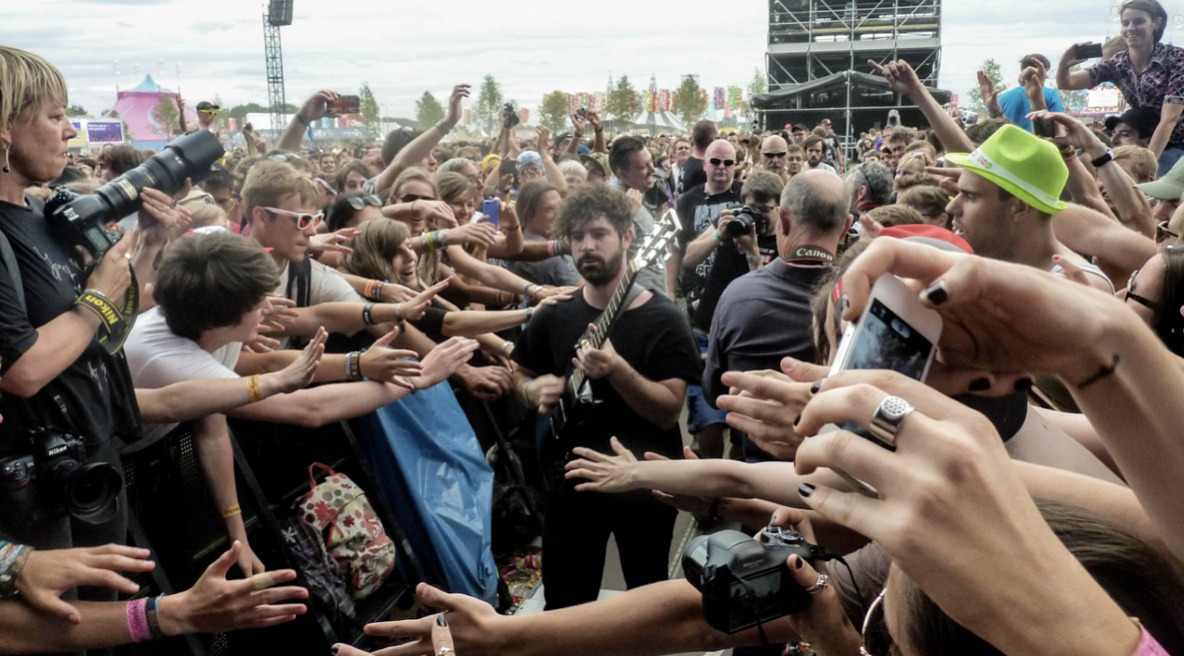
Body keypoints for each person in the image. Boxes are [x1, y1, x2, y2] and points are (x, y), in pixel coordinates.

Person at [0, 46, 178, 566]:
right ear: (5, 127)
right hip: (33, 486)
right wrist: (97, 296)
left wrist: (149, 246)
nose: (70, 131)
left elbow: (104, 328)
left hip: (89, 457)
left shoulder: (40, 213)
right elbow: (24, 369)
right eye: (56, 116)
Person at [510, 183, 699, 609]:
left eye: (599, 234)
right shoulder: (554, 313)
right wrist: (528, 390)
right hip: (569, 483)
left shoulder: (663, 320)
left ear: (628, 238)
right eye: (577, 237)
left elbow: (669, 412)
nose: (587, 246)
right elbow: (518, 372)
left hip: (643, 485)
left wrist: (618, 371)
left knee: (646, 602)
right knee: (565, 606)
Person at [1058, 0, 1184, 175]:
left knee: (1158, 181)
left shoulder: (1177, 59)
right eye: (1125, 23)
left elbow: (1169, 119)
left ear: (1156, 23)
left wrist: (1146, 167)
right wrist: (1064, 64)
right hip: (1145, 139)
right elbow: (1067, 83)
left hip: (1178, 141)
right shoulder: (1118, 63)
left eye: (1139, 21)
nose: (1130, 28)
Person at [993, 54, 1066, 132]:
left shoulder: (1004, 97)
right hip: (1041, 142)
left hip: (1009, 143)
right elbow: (1059, 127)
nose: (1046, 76)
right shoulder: (1051, 95)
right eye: (1045, 71)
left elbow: (994, 125)